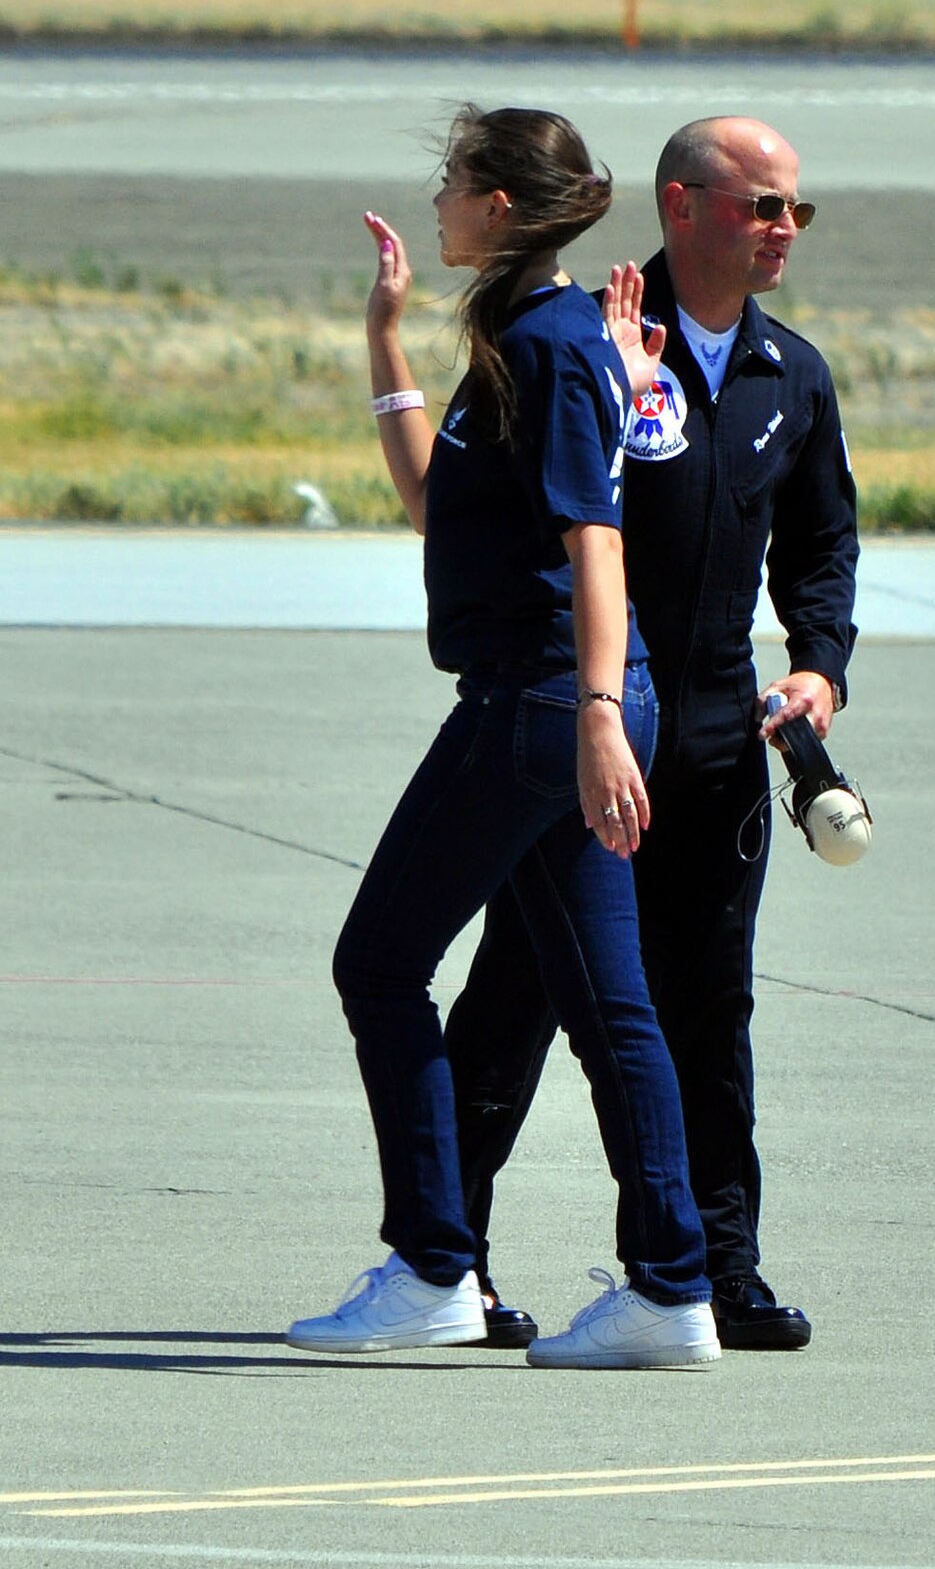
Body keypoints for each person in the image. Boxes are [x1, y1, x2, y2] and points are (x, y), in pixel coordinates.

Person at [285, 105, 720, 1371]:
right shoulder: (522, 338)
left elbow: (598, 537)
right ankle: (668, 1287)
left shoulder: (554, 344)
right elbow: (439, 506)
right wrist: (382, 338)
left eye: (454, 182)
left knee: (376, 964)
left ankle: (432, 1264)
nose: (436, 201)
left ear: (502, 206)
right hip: (553, 707)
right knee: (608, 1009)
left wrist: (595, 716)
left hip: (538, 707)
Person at [446, 114, 858, 1351]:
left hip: (721, 747)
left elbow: (823, 544)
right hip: (594, 736)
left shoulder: (794, 374)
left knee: (704, 1011)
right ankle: (444, 1263)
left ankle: (710, 1269)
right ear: (682, 208)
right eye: (760, 206)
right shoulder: (597, 347)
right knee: (514, 1000)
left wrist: (818, 665)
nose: (783, 227)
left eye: (794, 209)